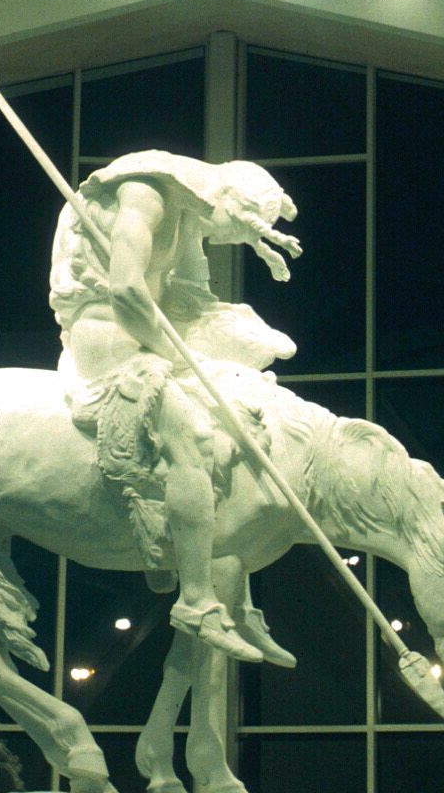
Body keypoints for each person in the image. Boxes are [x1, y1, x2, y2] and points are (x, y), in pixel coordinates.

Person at [48, 150, 303, 664]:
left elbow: (190, 298)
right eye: (233, 232)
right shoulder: (145, 195)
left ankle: (231, 590)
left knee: (246, 401)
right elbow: (125, 289)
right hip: (106, 333)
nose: (221, 240)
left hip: (146, 332)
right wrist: (179, 359)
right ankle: (196, 602)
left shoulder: (185, 214)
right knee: (192, 428)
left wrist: (238, 337)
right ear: (228, 204)